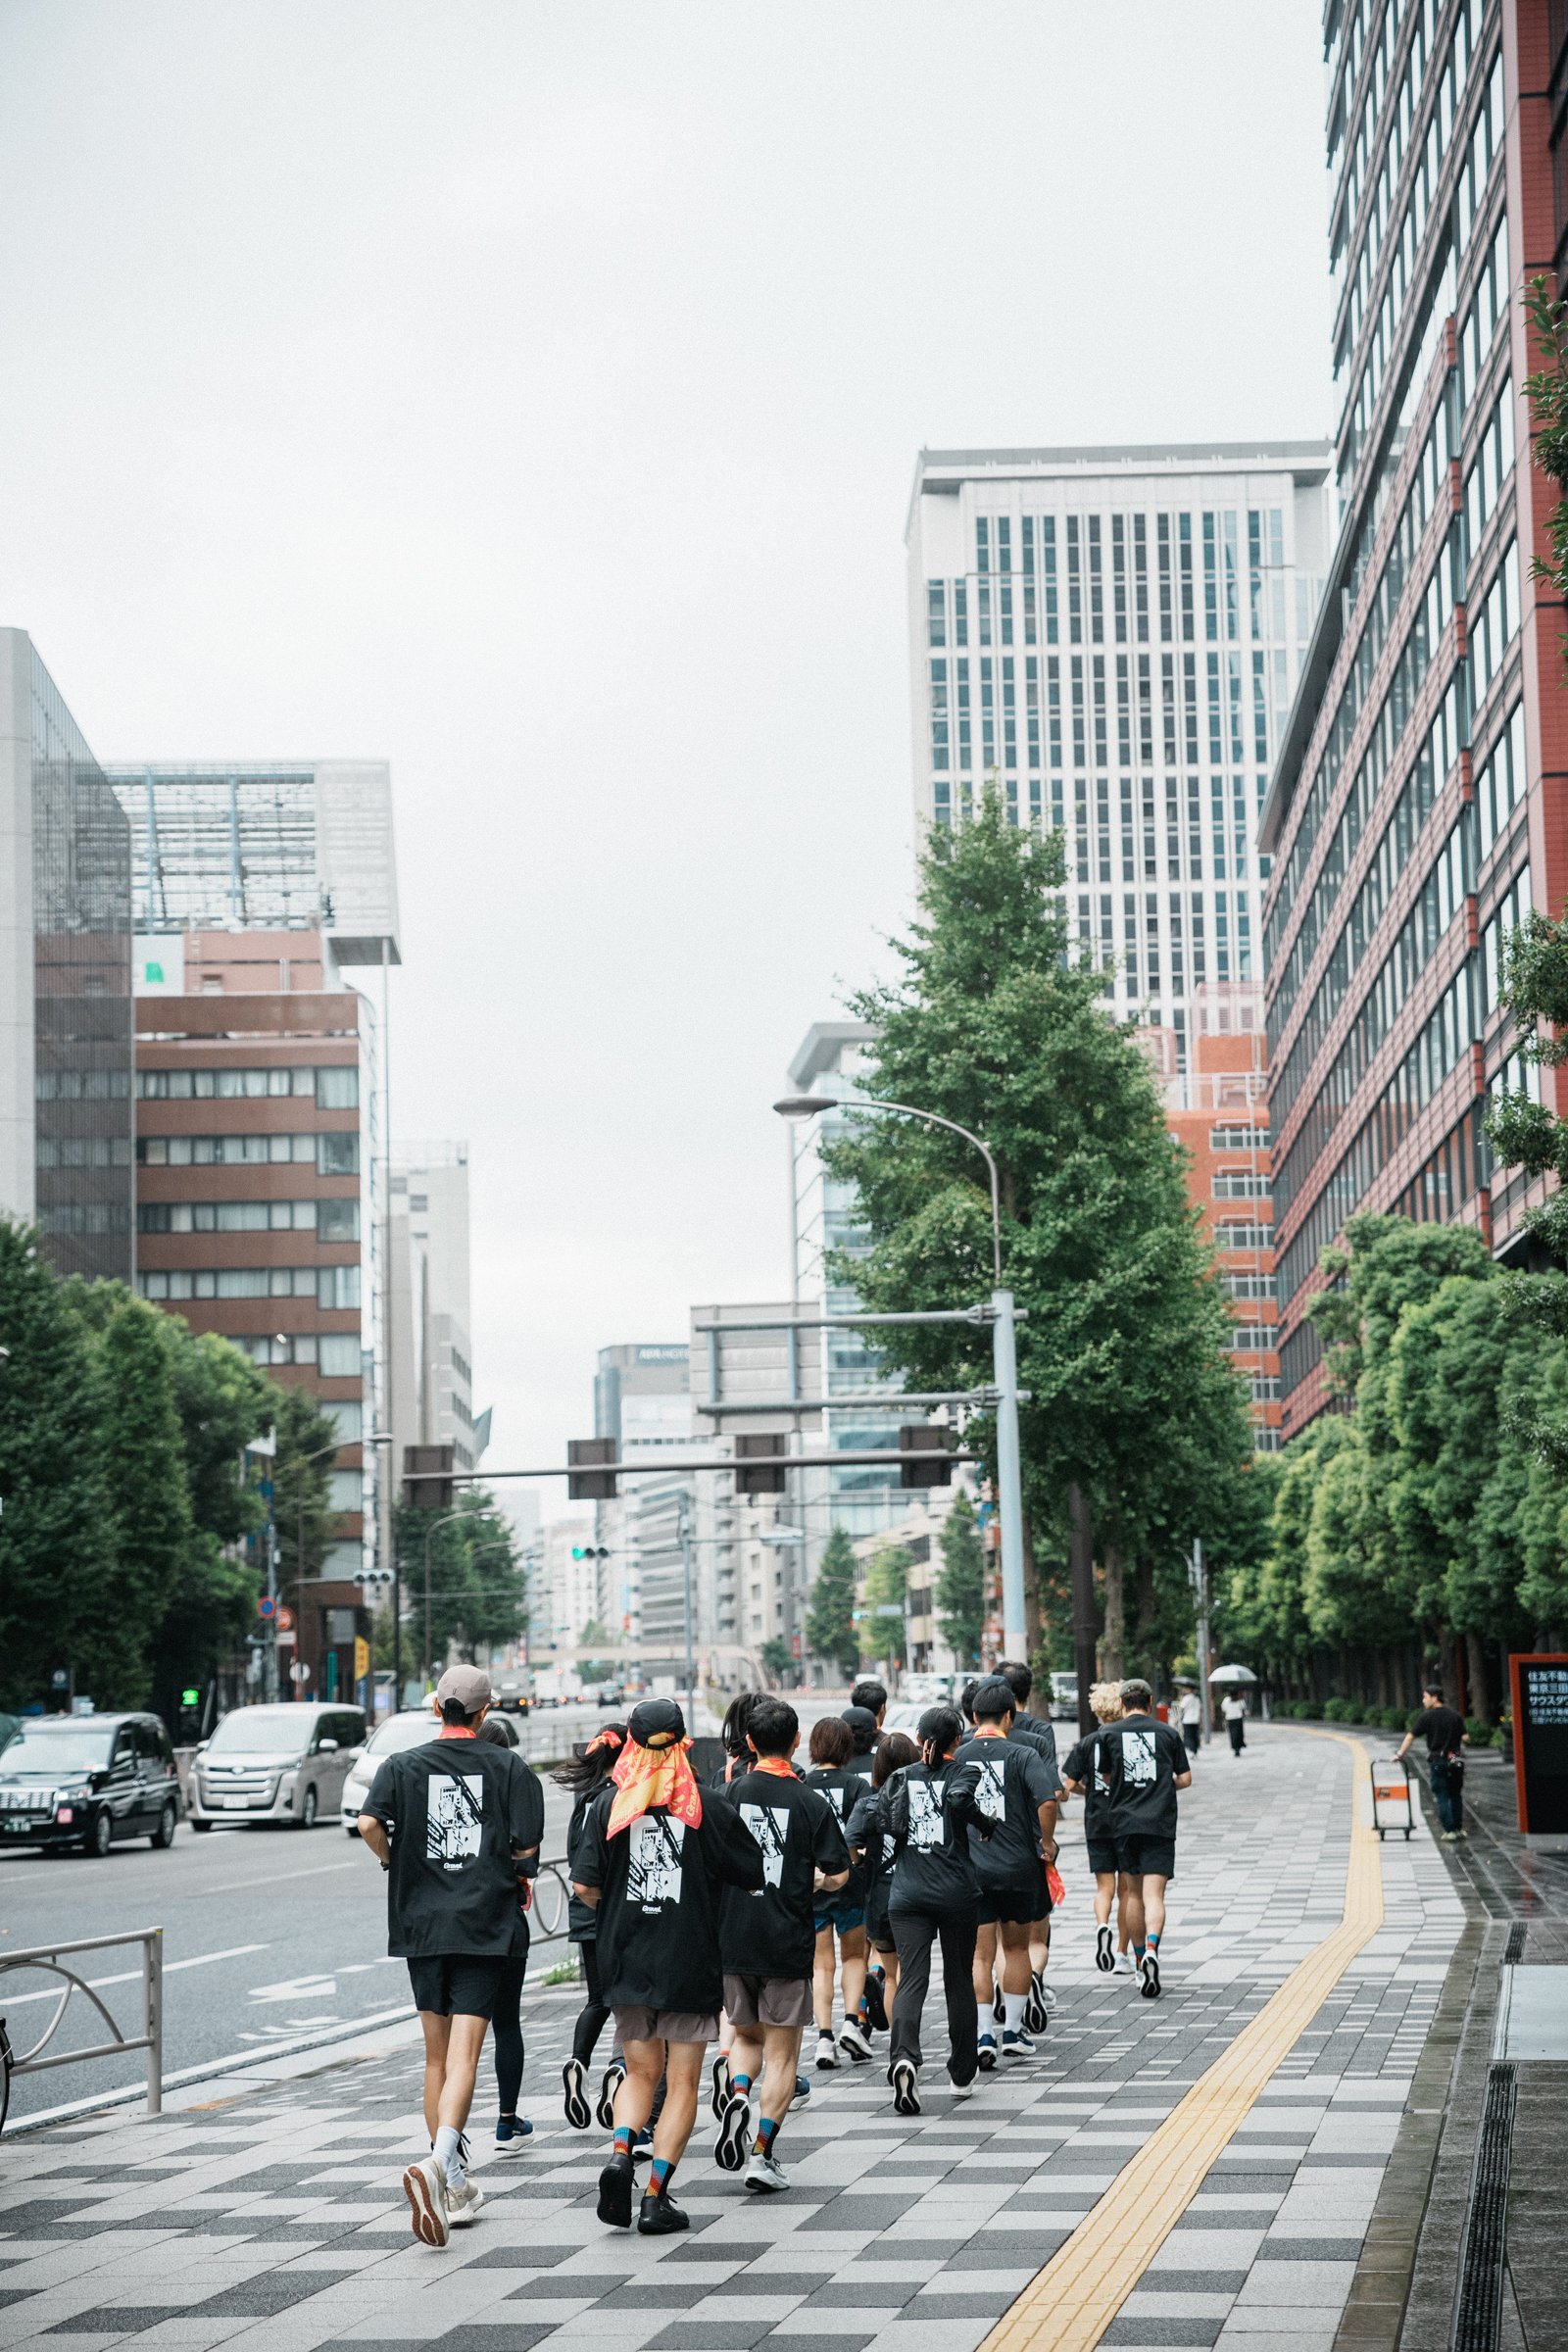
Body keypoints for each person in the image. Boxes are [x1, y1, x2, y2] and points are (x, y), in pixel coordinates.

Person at [358, 1664, 544, 2249]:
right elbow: (528, 1845)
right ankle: (439, 2166)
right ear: (486, 1713)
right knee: (467, 2053)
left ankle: (456, 2183)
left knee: (435, 2057)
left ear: (437, 1707)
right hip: (483, 1924)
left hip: (421, 1924)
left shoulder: (401, 1765)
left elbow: (367, 1822)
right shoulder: (508, 1766)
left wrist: (393, 1861)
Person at [571, 1697, 764, 2236]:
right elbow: (752, 1871)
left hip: (626, 1960)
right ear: (682, 1742)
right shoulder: (705, 1804)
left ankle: (617, 2157)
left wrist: (616, 1913)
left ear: (631, 1743)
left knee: (639, 2073)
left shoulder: (607, 1806)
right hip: (689, 1959)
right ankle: (656, 2197)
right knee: (681, 2082)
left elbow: (586, 1886)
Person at [712, 1697, 850, 2193]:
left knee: (745, 2039)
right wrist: (815, 1881)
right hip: (786, 1939)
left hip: (733, 1937)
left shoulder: (726, 1794)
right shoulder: (812, 1802)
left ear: (748, 1743)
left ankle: (739, 2095)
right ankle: (761, 2153)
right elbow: (838, 1874)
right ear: (796, 1742)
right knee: (784, 2056)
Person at [876, 1704, 994, 2115]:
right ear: (957, 1741)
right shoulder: (964, 1771)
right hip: (956, 1894)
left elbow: (881, 1821)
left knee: (911, 1979)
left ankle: (904, 2057)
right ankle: (961, 2073)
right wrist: (984, 1822)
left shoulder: (899, 1776)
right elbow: (960, 1800)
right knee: (959, 1978)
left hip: (906, 1894)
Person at [1061, 1677, 1190, 1999]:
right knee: (1154, 1896)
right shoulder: (1169, 1734)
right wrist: (1160, 1786)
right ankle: (1152, 1948)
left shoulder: (1106, 1734)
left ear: (1123, 1704)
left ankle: (1136, 1962)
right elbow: (1185, 1779)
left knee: (1130, 1894)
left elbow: (1105, 1776)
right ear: (1149, 1704)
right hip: (1159, 1822)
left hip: (1123, 1824)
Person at [956, 1678, 1058, 2066]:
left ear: (975, 1716)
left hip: (972, 1870)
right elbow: (1047, 1801)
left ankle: (983, 2034)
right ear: (1009, 1716)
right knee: (1015, 1947)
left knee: (980, 1956)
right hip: (1017, 1867)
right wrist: (1046, 1844)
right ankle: (1013, 2032)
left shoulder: (959, 1756)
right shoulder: (1023, 1753)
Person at [553, 1724, 627, 2131]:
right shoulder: (619, 1797)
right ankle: (618, 2068)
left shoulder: (585, 1797)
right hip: (613, 1908)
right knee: (628, 1998)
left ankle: (578, 2061)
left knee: (597, 1999)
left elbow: (573, 1857)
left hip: (582, 1908)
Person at [474, 1715, 535, 2153]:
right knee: (507, 2023)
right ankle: (506, 2121)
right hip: (505, 1920)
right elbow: (526, 1855)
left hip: (459, 1924)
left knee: (459, 2033)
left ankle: (448, 2134)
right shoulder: (515, 1782)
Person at [996, 1660, 1065, 2029]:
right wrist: (1047, 1842)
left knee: (992, 1943)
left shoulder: (970, 1740)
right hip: (1028, 1847)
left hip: (983, 1851)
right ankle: (1032, 1982)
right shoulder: (1039, 1734)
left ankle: (998, 1994)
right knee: (1028, 1939)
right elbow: (1051, 1793)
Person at [803, 1715, 873, 2069]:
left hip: (811, 1884)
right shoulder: (857, 1786)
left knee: (821, 1964)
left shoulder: (801, 1784)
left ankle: (825, 2039)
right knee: (855, 1958)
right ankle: (851, 2022)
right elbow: (863, 1836)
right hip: (850, 1882)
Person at [846, 1731, 917, 2034]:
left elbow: (850, 1842)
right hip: (917, 1896)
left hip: (880, 1900)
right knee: (913, 1977)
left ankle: (897, 2048)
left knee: (891, 1976)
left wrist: (860, 1860)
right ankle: (908, 2044)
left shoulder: (867, 1805)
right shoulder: (920, 1801)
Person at [1396, 1684, 1468, 1839]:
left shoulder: (1427, 1717)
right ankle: (1458, 1828)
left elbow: (1411, 1736)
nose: (1423, 1700)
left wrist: (1400, 1754)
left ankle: (1449, 1831)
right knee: (1455, 1794)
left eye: (1425, 1697)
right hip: (1454, 1756)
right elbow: (1465, 1737)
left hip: (1438, 1757)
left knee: (1441, 1794)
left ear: (1434, 1698)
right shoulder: (1455, 1715)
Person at [1178, 1687, 1202, 1758]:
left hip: (1187, 1719)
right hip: (1195, 1720)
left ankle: (1191, 1750)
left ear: (1189, 1690)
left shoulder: (1186, 1698)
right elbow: (1200, 1709)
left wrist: (1181, 1699)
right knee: (1195, 1735)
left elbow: (1181, 1707)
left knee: (1188, 1736)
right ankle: (1195, 1750)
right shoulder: (1197, 1699)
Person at [1221, 1690, 1248, 1757]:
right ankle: (1238, 1747)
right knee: (1239, 1734)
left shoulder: (1226, 1700)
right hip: (1238, 1719)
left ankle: (1235, 1748)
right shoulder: (1240, 1700)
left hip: (1230, 1719)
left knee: (1233, 1735)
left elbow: (1223, 1709)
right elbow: (1243, 1709)